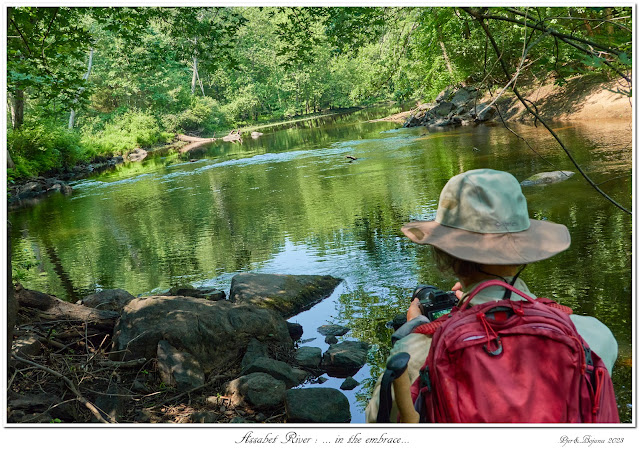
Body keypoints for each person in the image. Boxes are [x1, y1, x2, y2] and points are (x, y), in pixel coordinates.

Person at [365, 168, 618, 423]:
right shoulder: (592, 337)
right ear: (525, 251)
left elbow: (376, 422)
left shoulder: (415, 352)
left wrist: (415, 328)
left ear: (445, 257)